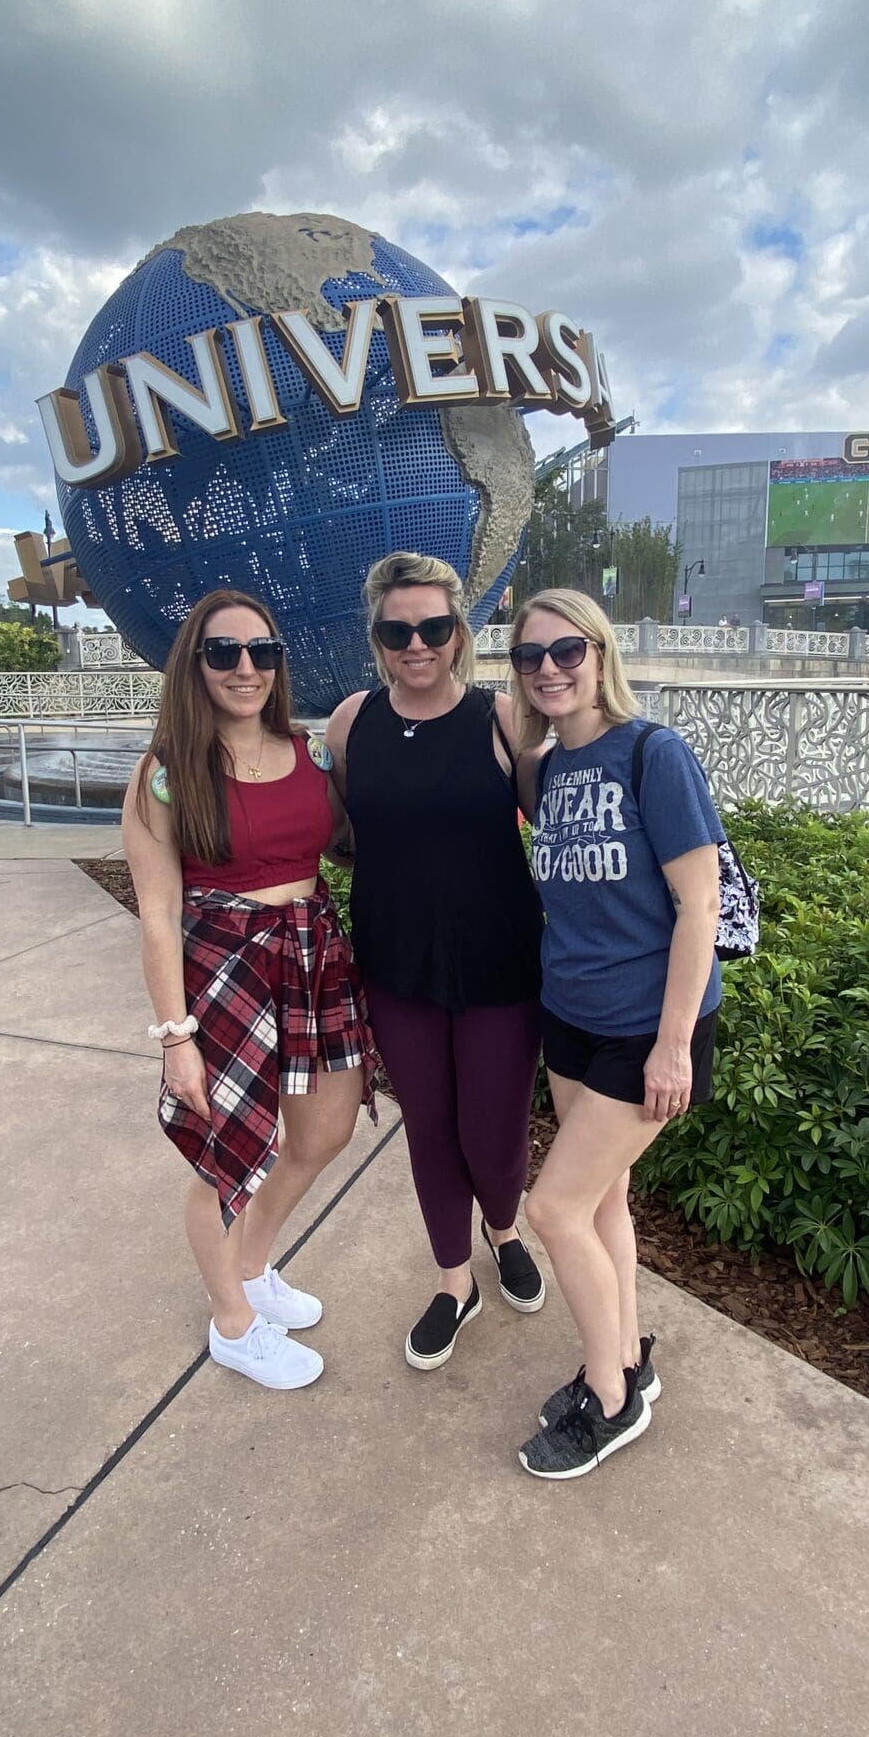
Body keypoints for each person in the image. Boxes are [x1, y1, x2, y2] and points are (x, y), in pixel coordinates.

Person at [122, 588, 376, 1391]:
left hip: (314, 960)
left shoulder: (308, 755)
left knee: (324, 1132)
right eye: (224, 652)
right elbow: (158, 916)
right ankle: (233, 1322)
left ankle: (254, 1265)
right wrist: (176, 1039)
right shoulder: (165, 775)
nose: (245, 668)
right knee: (227, 1158)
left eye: (262, 652)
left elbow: (352, 844)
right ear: (194, 664)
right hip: (226, 974)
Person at [508, 588, 724, 1480]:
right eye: (531, 657)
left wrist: (675, 1044)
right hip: (574, 1019)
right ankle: (627, 1353)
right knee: (602, 1204)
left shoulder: (653, 753)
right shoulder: (551, 767)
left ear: (600, 655)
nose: (551, 668)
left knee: (550, 1209)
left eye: (569, 650)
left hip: (647, 1031)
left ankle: (608, 1398)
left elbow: (699, 901)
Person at [326, 552, 547, 1371]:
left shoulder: (502, 719)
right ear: (377, 639)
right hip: (398, 965)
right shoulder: (352, 723)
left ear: (459, 634)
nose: (415, 645)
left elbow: (554, 825)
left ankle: (505, 1227)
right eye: (396, 631)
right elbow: (337, 829)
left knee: (491, 1135)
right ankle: (456, 1282)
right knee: (430, 1129)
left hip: (500, 963)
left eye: (432, 628)